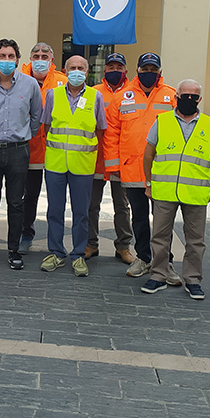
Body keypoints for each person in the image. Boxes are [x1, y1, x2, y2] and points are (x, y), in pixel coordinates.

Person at [141, 79, 210, 300]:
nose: (189, 99)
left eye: (193, 96)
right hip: (164, 191)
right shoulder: (162, 121)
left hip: (196, 193)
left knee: (196, 239)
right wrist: (148, 184)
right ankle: (159, 275)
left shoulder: (209, 124)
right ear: (176, 97)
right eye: (184, 95)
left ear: (199, 99)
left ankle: (193, 279)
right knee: (159, 236)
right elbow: (148, 154)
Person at [105, 52, 181, 284]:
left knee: (162, 219)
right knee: (138, 217)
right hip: (131, 168)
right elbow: (112, 133)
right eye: (144, 69)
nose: (149, 73)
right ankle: (144, 258)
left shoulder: (171, 97)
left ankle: (164, 261)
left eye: (152, 70)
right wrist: (113, 166)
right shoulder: (122, 97)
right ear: (137, 70)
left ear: (159, 71)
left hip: (162, 170)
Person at [0, 39, 44, 270]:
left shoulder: (31, 84)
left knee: (16, 203)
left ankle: (14, 250)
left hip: (18, 151)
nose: (6, 61)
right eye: (2, 56)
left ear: (17, 59)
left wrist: (23, 135)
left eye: (10, 56)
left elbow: (36, 117)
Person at [39, 55, 104, 277]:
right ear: (65, 72)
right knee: (54, 211)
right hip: (56, 163)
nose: (77, 71)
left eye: (81, 68)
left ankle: (78, 255)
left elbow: (100, 130)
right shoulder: (52, 95)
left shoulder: (96, 97)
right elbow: (47, 126)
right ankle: (56, 252)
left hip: (83, 165)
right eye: (72, 68)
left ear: (87, 72)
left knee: (81, 213)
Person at [85, 52, 134, 264]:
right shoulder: (94, 92)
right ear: (104, 70)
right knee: (91, 204)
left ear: (126, 70)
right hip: (96, 158)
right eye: (111, 67)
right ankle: (90, 244)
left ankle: (123, 246)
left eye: (119, 67)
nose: (115, 71)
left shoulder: (133, 94)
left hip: (121, 161)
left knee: (122, 206)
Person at [21, 42, 68, 249]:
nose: (40, 60)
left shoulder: (63, 82)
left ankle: (56, 242)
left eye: (45, 56)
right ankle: (26, 234)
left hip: (55, 151)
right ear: (30, 58)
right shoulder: (19, 79)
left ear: (52, 60)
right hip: (27, 151)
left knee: (56, 200)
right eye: (36, 55)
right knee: (28, 196)